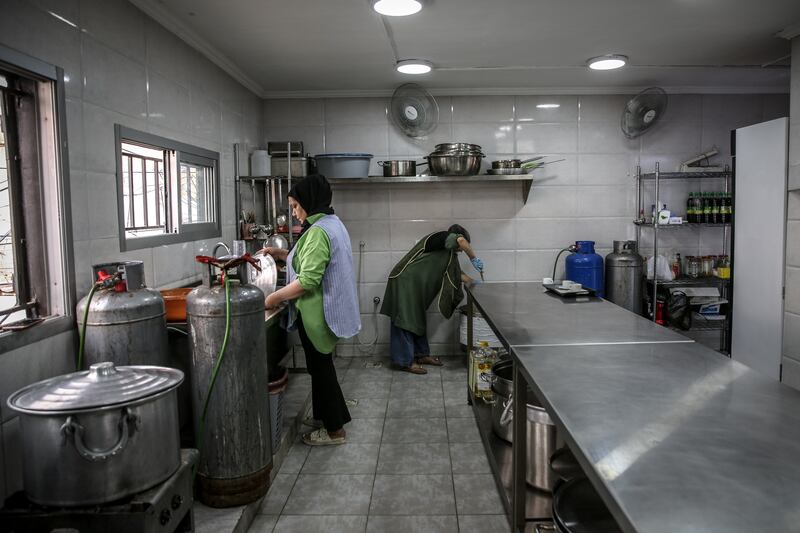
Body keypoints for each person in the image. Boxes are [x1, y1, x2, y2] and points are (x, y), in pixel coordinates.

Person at [261, 174, 360, 446]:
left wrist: (272, 299)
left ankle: (334, 430)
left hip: (317, 313)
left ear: (308, 201)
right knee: (321, 368)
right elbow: (306, 258)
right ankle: (329, 416)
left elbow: (308, 280)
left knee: (321, 370)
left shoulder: (318, 232)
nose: (293, 212)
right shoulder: (330, 223)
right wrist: (280, 254)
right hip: (324, 311)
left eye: (295, 206)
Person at [380, 225, 484, 374]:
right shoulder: (440, 237)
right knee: (404, 320)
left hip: (415, 288)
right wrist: (474, 258)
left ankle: (421, 355)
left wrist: (475, 283)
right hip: (404, 282)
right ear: (456, 236)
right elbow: (461, 241)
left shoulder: (448, 255)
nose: (461, 250)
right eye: (461, 247)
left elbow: (458, 275)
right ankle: (405, 362)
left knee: (416, 319)